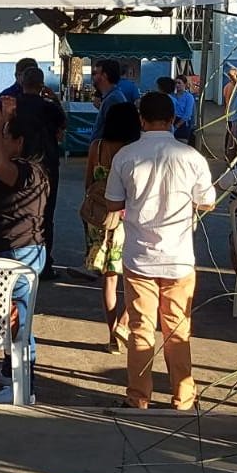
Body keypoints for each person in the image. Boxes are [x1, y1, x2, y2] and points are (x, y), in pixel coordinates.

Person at [105, 91, 216, 411]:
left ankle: (138, 397)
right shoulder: (191, 157)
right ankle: (183, 397)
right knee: (178, 331)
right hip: (180, 257)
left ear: (141, 118)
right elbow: (207, 201)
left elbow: (114, 202)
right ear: (172, 119)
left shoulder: (126, 156)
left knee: (141, 330)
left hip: (139, 256)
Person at [0, 102, 50, 404]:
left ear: (20, 142)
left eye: (7, 137)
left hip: (20, 254)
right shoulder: (29, 169)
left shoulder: (28, 172)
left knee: (21, 322)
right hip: (13, 252)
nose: (0, 142)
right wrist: (4, 121)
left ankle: (25, 387)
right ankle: (10, 372)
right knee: (11, 318)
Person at [82, 101, 141, 351]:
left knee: (109, 280)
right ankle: (125, 323)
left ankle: (112, 337)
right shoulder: (133, 151)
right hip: (127, 219)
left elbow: (87, 182)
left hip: (100, 218)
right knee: (134, 277)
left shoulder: (97, 147)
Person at [15, 66, 66, 280]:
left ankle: (18, 258)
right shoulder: (49, 107)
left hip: (18, 163)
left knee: (17, 211)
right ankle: (44, 264)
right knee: (46, 214)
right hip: (46, 163)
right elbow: (62, 125)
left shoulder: (14, 105)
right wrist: (54, 100)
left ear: (22, 83)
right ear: (42, 84)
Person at [173, 75, 197, 143]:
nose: (177, 85)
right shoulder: (173, 96)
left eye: (179, 83)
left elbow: (187, 114)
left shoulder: (189, 97)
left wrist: (177, 126)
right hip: (172, 121)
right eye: (175, 83)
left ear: (185, 84)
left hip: (183, 123)